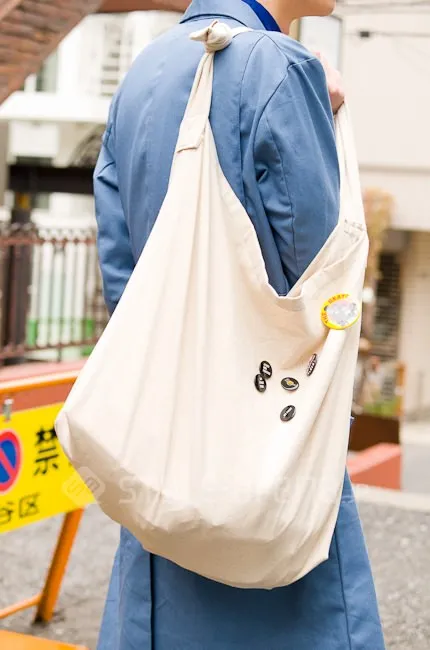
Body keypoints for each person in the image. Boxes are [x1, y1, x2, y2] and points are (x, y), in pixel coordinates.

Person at [94, 1, 386, 648]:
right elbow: (318, 292)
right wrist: (323, 119)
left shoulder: (146, 71)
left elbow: (121, 277)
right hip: (263, 450)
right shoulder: (278, 66)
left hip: (167, 445)